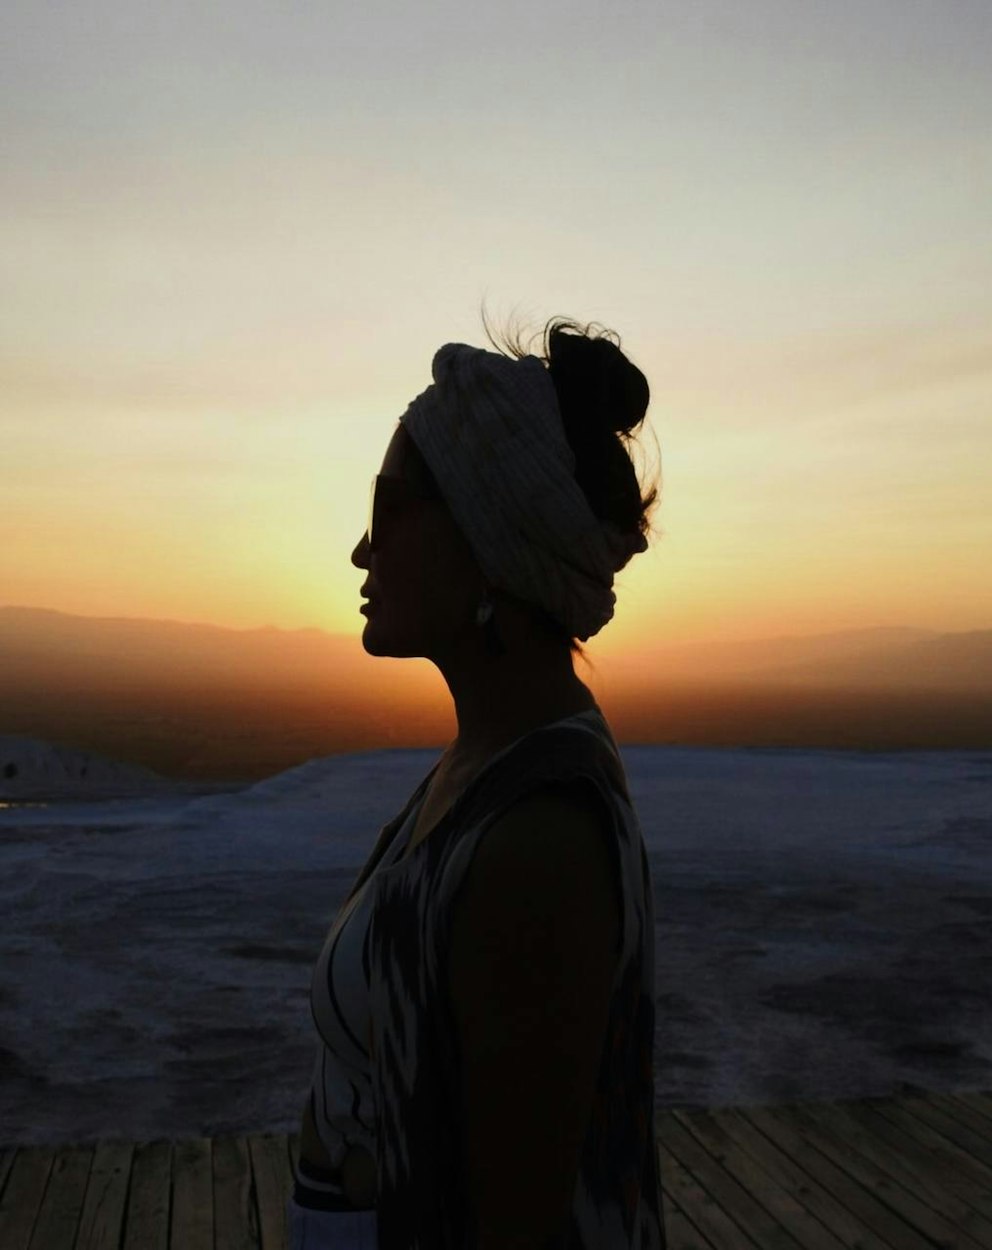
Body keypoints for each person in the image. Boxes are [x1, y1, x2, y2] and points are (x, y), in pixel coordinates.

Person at [289, 316, 667, 1250]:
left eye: (386, 509)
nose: (360, 552)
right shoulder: (485, 763)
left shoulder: (538, 837)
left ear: (484, 540)